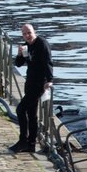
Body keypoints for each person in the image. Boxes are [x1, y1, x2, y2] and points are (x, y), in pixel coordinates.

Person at [10, 24, 53, 154]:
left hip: (39, 83)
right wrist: (19, 54)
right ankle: (31, 144)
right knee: (31, 114)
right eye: (24, 34)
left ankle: (23, 140)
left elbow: (48, 62)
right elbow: (18, 64)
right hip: (30, 81)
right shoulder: (27, 46)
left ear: (34, 32)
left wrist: (49, 80)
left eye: (29, 33)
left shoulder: (42, 44)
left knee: (20, 109)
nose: (27, 36)